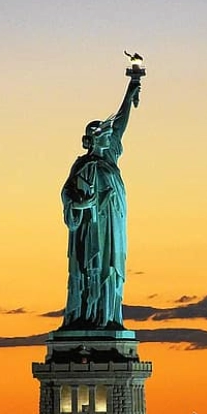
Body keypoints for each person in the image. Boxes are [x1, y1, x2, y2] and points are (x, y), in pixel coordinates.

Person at [59, 77, 141, 330]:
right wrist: (82, 206)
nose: (110, 137)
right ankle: (88, 315)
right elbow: (66, 194)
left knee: (111, 267)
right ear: (94, 140)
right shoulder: (83, 166)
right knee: (91, 268)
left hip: (113, 225)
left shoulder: (111, 157)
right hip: (91, 229)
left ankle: (109, 316)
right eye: (104, 135)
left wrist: (131, 89)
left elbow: (121, 124)